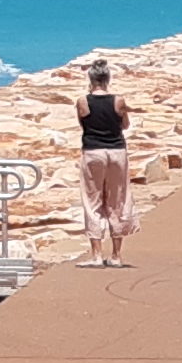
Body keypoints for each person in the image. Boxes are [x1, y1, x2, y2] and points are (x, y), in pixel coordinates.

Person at [75, 60, 137, 267]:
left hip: (93, 152)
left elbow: (83, 124)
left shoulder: (83, 101)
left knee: (92, 201)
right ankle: (117, 255)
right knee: (117, 199)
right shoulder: (118, 101)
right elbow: (125, 125)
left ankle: (96, 255)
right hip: (117, 151)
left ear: (91, 79)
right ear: (108, 79)